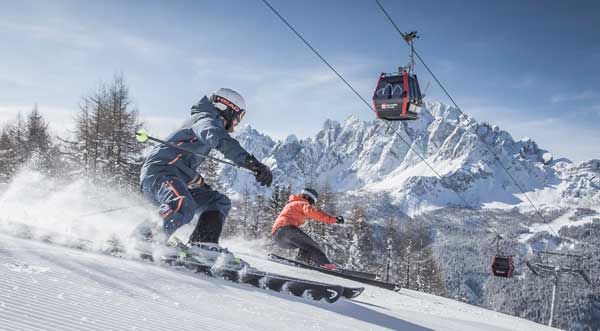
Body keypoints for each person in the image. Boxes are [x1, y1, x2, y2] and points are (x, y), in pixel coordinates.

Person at [137, 88, 273, 253]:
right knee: (183, 203)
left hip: (173, 175)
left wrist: (199, 183)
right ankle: (143, 237)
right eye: (240, 115)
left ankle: (202, 244)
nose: (238, 121)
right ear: (228, 108)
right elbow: (218, 138)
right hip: (159, 173)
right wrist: (250, 162)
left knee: (217, 202)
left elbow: (182, 163)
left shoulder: (205, 121)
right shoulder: (205, 119)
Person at [271, 188, 345, 270]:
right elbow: (313, 212)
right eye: (312, 202)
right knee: (314, 247)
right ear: (308, 198)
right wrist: (334, 219)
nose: (312, 205)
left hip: (278, 236)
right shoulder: (301, 203)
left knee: (306, 247)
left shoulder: (292, 204)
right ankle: (328, 267)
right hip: (286, 230)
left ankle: (302, 263)